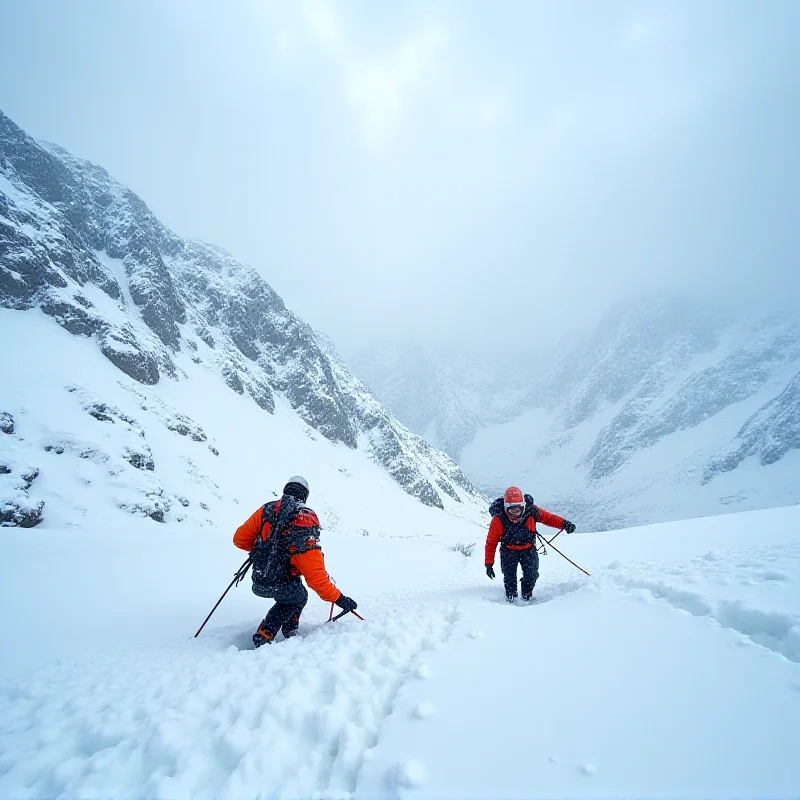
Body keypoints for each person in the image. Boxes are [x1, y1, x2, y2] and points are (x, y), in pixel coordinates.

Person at [233, 475, 357, 647]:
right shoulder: (303, 519)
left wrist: (265, 550)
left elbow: (239, 539)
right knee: (299, 596)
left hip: (259, 579)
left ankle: (289, 628)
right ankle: (267, 631)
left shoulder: (267, 510)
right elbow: (316, 578)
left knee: (295, 593)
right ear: (305, 495)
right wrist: (340, 599)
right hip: (281, 583)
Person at [484, 486, 575, 602]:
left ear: (524, 505)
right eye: (512, 509)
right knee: (509, 577)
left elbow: (549, 518)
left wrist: (564, 523)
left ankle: (527, 595)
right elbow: (491, 543)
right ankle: (511, 599)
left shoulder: (531, 511)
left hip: (528, 550)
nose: (516, 512)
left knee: (532, 574)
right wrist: (489, 564)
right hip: (508, 551)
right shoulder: (498, 520)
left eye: (519, 508)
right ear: (505, 508)